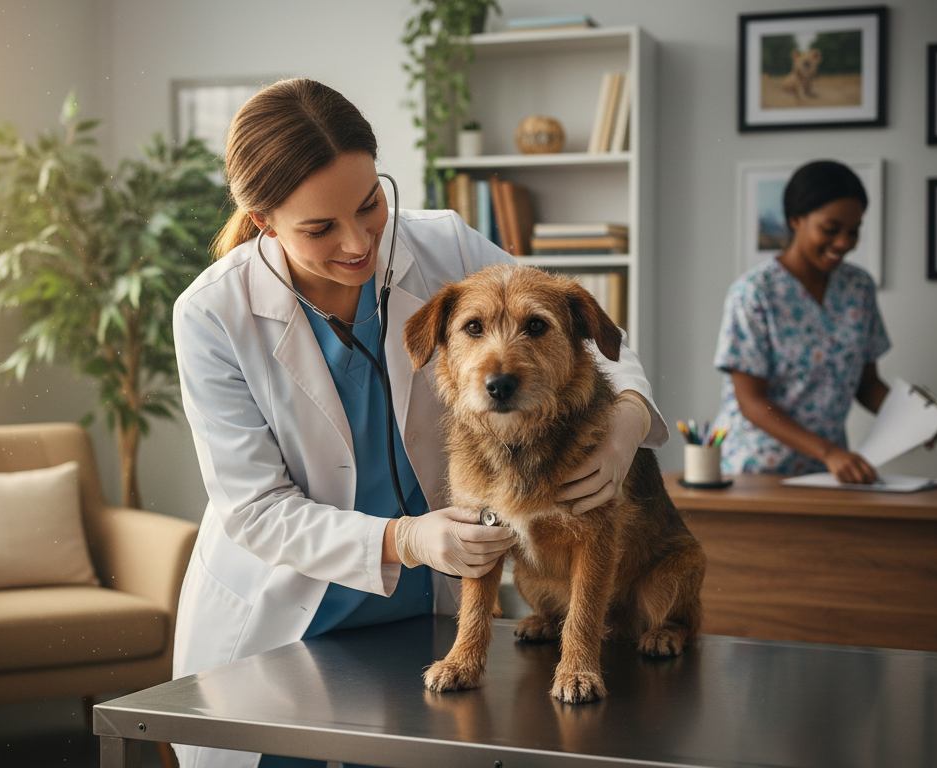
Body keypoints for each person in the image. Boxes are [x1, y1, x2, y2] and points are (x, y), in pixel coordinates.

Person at [171, 78, 668, 768]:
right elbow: (254, 509)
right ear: (263, 221)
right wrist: (405, 537)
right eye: (320, 228)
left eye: (369, 203)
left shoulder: (444, 246)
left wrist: (624, 428)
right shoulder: (211, 315)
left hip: (428, 616)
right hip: (288, 618)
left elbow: (590, 334)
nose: (358, 242)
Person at [712, 160, 891, 484]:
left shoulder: (859, 288)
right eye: (831, 229)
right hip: (755, 470)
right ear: (796, 220)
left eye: (854, 231)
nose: (843, 242)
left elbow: (867, 384)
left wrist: (911, 417)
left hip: (828, 473)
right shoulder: (754, 293)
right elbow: (751, 401)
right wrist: (828, 452)